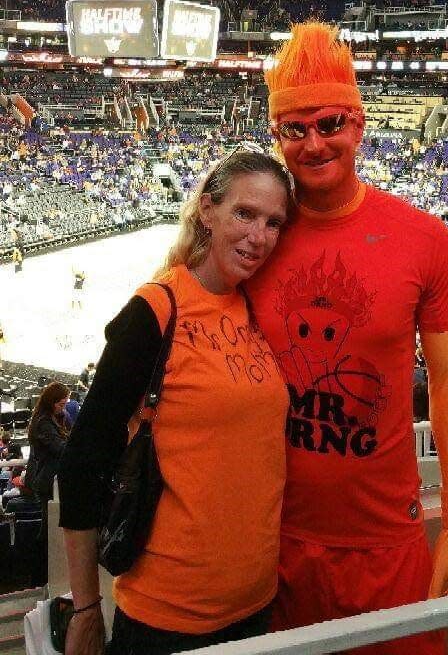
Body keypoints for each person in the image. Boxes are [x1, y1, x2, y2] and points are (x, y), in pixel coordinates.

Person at [247, 22, 448, 655]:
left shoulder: (423, 238)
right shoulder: (256, 238)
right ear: (278, 137)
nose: (314, 144)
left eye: (329, 124)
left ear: (359, 124)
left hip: (387, 544)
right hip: (271, 543)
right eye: (295, 129)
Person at [59, 149, 291, 655]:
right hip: (167, 618)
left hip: (256, 605)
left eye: (273, 222)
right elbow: (83, 461)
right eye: (244, 213)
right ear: (208, 210)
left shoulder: (257, 305)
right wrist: (84, 607)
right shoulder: (155, 309)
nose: (259, 237)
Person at [28, 382, 70, 583]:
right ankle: (40, 576)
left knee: (50, 530)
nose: (64, 407)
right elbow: (60, 448)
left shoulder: (56, 418)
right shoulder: (43, 422)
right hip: (47, 482)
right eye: (61, 404)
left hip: (53, 480)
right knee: (47, 532)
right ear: (51, 402)